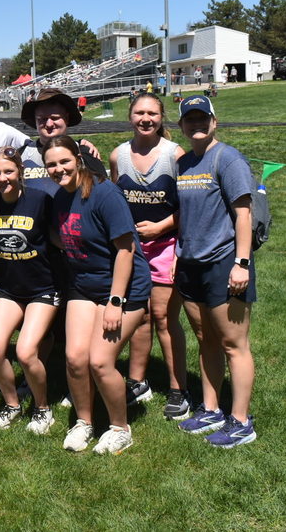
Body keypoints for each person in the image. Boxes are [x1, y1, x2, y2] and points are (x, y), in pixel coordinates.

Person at [44, 135, 152, 454]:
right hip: (83, 285)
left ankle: (120, 428)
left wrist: (115, 303)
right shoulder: (60, 198)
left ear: (78, 159)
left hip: (124, 288)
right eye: (51, 164)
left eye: (64, 161)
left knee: (100, 362)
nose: (58, 168)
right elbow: (62, 236)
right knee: (75, 358)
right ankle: (84, 422)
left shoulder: (106, 193)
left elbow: (125, 251)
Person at [173, 95, 258, 448]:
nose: (196, 125)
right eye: (189, 120)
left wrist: (242, 263)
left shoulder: (228, 159)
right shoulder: (184, 163)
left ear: (214, 121)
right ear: (181, 125)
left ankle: (240, 421)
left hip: (224, 264)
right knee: (206, 339)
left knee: (233, 344)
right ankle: (210, 408)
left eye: (202, 118)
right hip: (191, 264)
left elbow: (244, 214)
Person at [109, 93, 190, 420]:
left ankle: (177, 389)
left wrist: (161, 228)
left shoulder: (175, 155)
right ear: (130, 116)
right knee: (138, 316)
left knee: (164, 317)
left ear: (161, 117)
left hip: (167, 245)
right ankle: (137, 381)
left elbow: (191, 205)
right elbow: (114, 203)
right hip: (133, 250)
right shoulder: (118, 156)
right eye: (140, 113)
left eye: (152, 113)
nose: (146, 118)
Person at [0, 146, 59, 435]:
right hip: (10, 289)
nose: (2, 178)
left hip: (42, 288)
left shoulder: (40, 200)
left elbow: (58, 240)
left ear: (21, 172)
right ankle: (12, 404)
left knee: (26, 353)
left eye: (8, 171)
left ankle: (42, 409)